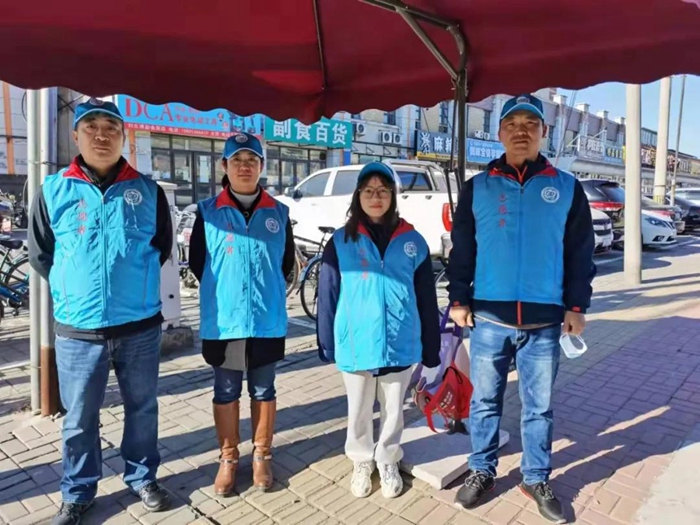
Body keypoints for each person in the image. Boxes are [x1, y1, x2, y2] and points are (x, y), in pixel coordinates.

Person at [447, 94, 595, 523]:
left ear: (544, 132)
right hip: (488, 318)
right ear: (499, 133)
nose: (521, 131)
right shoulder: (478, 187)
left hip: (545, 321)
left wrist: (576, 305)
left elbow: (580, 252)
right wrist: (458, 298)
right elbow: (462, 249)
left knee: (539, 406)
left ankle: (535, 477)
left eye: (531, 124)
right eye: (512, 124)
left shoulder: (566, 187)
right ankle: (482, 470)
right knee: (484, 401)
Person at [28, 99, 173, 525]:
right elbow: (41, 255)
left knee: (142, 408)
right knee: (78, 419)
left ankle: (142, 477)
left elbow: (162, 246)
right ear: (76, 136)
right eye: (91, 127)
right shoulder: (52, 190)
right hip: (78, 330)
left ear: (123, 136)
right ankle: (78, 492)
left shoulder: (148, 192)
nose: (101, 135)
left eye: (111, 127)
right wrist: (75, 288)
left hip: (139, 326)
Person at [317, 162, 440, 500]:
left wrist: (431, 349)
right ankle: (361, 459)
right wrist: (326, 341)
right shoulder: (341, 241)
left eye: (383, 190)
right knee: (358, 408)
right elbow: (327, 294)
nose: (376, 197)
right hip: (356, 342)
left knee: (393, 409)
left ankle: (387, 458)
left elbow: (427, 299)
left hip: (400, 340)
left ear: (393, 196)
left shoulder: (413, 241)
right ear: (358, 195)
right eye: (369, 190)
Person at [188, 132, 295, 495]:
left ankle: (262, 454)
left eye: (252, 160)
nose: (245, 167)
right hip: (225, 321)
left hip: (266, 319)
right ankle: (229, 457)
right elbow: (198, 263)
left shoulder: (279, 213)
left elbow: (284, 263)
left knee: (264, 387)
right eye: (237, 160)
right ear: (224, 166)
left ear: (262, 166)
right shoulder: (207, 213)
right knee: (225, 390)